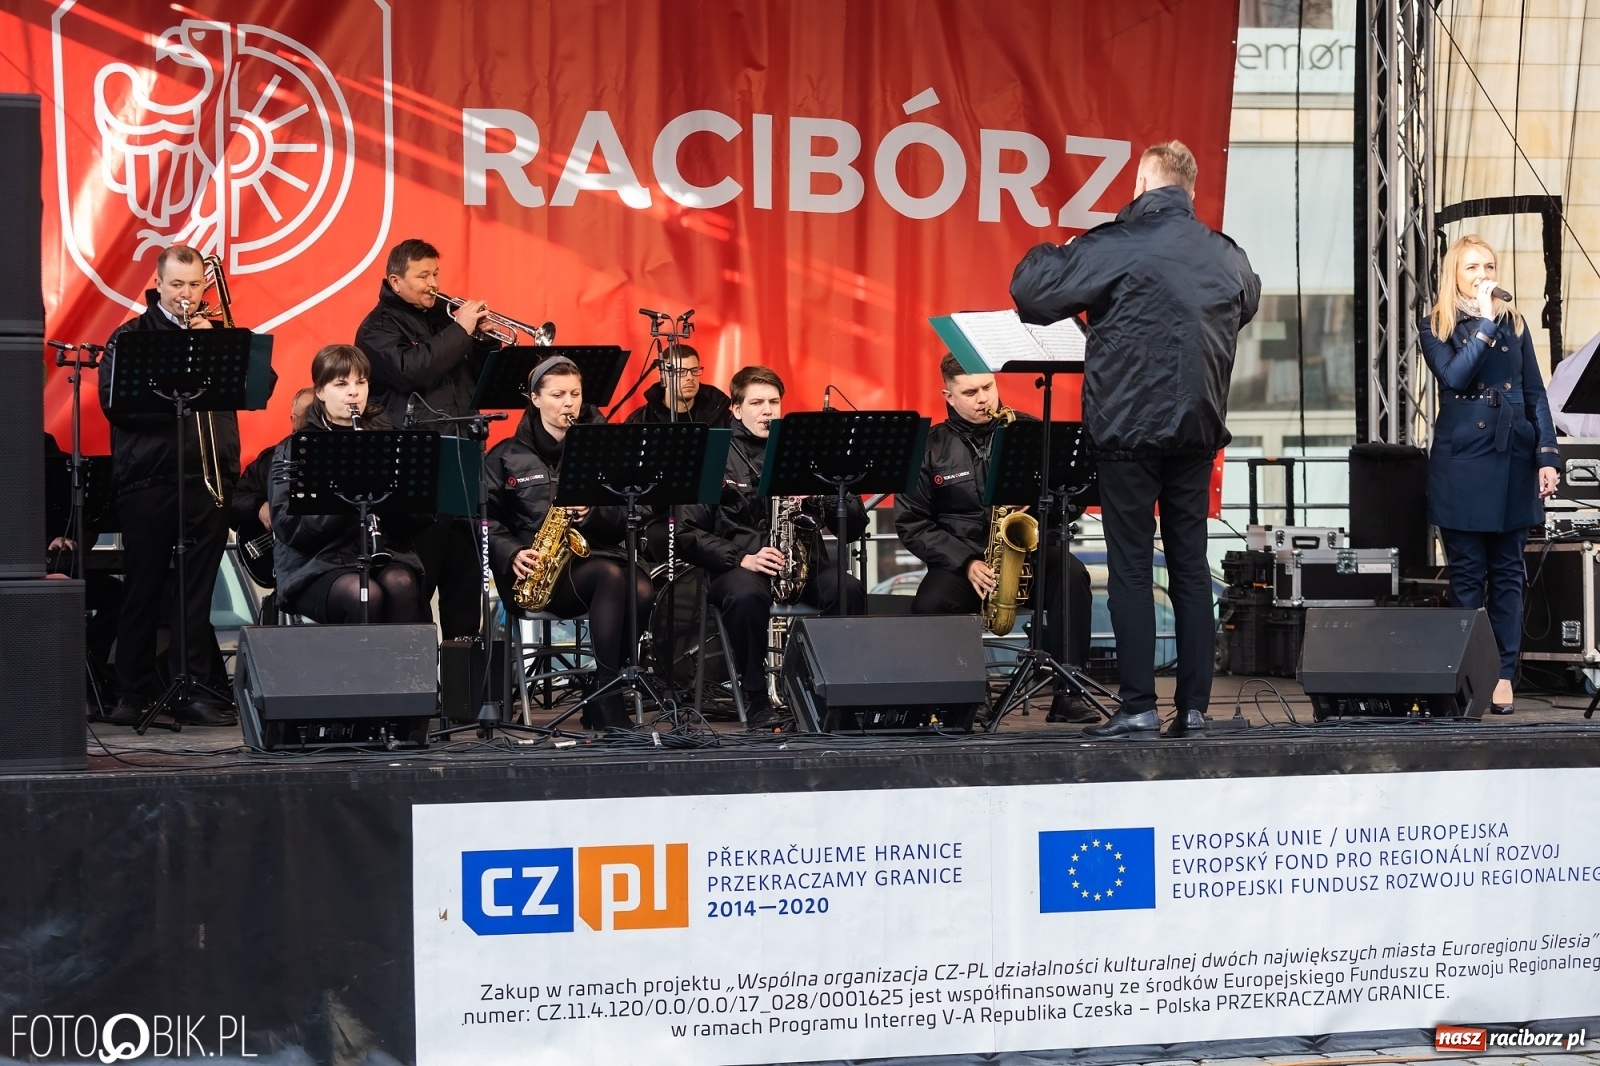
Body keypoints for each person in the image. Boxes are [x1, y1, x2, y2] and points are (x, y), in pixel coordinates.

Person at [1011, 140, 1260, 740]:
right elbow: (1246, 300)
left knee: (1128, 567)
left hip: (1127, 430)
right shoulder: (1224, 254)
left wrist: (1067, 250)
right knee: (1190, 567)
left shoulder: (1113, 244)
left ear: (1142, 185)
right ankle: (1195, 708)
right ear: (1190, 191)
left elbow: (1030, 291)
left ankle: (1140, 705)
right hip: (1197, 429)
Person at [98, 243, 259, 727]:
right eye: (176, 285)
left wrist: (219, 347)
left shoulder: (218, 336)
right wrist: (179, 392)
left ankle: (194, 690)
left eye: (194, 285)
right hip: (149, 479)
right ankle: (129, 692)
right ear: (158, 283)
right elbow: (116, 405)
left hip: (208, 480)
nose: (186, 295)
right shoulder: (130, 337)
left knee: (197, 590)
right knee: (143, 585)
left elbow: (255, 387)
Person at [895, 354, 1095, 724]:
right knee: (930, 603)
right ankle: (971, 694)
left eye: (987, 387)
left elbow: (1075, 498)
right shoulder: (929, 445)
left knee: (1072, 576)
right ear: (948, 395)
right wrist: (966, 561)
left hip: (1026, 552)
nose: (983, 398)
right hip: (963, 562)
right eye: (970, 392)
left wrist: (1040, 510)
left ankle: (1069, 692)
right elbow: (912, 522)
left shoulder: (1033, 432)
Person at [679, 366, 867, 727]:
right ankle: (756, 696)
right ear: (735, 409)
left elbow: (855, 525)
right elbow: (687, 534)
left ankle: (832, 693)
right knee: (747, 597)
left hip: (803, 564)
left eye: (774, 402)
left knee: (849, 589)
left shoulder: (806, 449)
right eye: (757, 402)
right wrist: (742, 558)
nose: (768, 410)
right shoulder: (715, 453)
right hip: (740, 568)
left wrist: (822, 496)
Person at [1419, 235, 1559, 714]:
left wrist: (1546, 455)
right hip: (1463, 464)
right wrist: (1481, 323)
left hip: (1513, 460)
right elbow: (1455, 377)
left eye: (1490, 265)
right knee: (1466, 577)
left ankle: (1502, 674)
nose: (1484, 274)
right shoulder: (1434, 324)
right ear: (1454, 274)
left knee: (1507, 577)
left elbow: (1535, 393)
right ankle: (1465, 674)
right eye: (1473, 266)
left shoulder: (1515, 324)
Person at [484, 356, 655, 731]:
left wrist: (593, 513)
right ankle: (608, 699)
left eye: (575, 394)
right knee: (615, 579)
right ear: (535, 399)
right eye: (558, 394)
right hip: (536, 571)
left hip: (597, 556)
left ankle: (603, 690)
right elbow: (483, 518)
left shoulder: (605, 451)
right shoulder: (505, 456)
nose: (569, 404)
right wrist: (511, 552)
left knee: (642, 588)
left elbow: (635, 510)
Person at [354, 238, 497, 640]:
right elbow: (411, 370)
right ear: (395, 280)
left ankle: (464, 692)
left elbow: (483, 382)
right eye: (423, 276)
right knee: (420, 579)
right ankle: (416, 685)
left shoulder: (445, 320)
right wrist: (460, 330)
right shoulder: (377, 327)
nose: (433, 283)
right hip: (418, 463)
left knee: (466, 582)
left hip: (464, 457)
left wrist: (482, 341)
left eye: (435, 273)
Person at [268, 346, 427, 625]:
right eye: (341, 384)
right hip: (315, 565)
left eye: (361, 382)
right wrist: (348, 499)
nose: (354, 392)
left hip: (382, 555)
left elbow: (417, 520)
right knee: (364, 594)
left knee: (401, 583)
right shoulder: (295, 449)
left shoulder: (387, 440)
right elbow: (287, 526)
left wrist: (391, 499)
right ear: (319, 391)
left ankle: (400, 670)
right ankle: (362, 670)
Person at [623, 343, 731, 427]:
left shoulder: (719, 414)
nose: (690, 377)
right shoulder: (641, 420)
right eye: (681, 371)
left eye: (694, 370)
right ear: (663, 375)